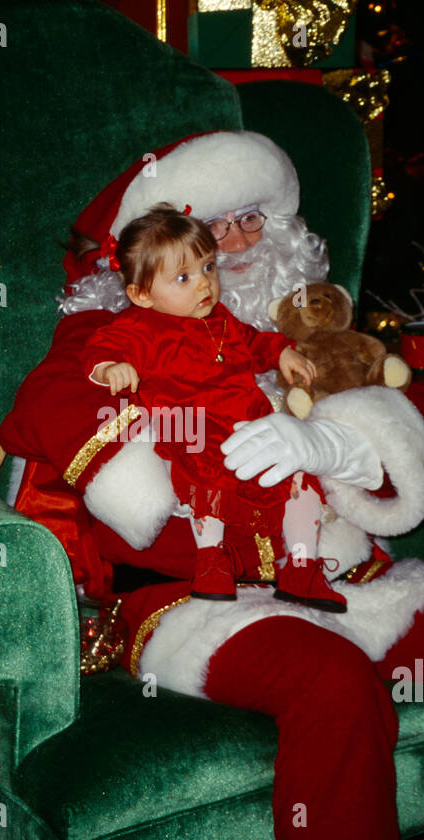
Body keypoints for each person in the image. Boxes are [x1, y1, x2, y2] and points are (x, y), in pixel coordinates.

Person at [0, 131, 424, 840]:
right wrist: (156, 480)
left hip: (342, 576)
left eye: (253, 220)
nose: (237, 244)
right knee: (334, 683)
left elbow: (415, 406)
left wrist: (337, 443)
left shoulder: (298, 327)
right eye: (213, 225)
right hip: (200, 596)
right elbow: (48, 403)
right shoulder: (109, 335)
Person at [83, 205, 342, 609]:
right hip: (192, 426)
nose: (204, 285)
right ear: (141, 294)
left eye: (208, 268)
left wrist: (281, 353)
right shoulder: (139, 329)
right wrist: (109, 369)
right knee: (207, 477)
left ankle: (302, 567)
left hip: (252, 422)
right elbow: (99, 351)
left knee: (300, 481)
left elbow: (254, 341)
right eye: (183, 278)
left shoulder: (221, 319)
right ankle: (211, 560)